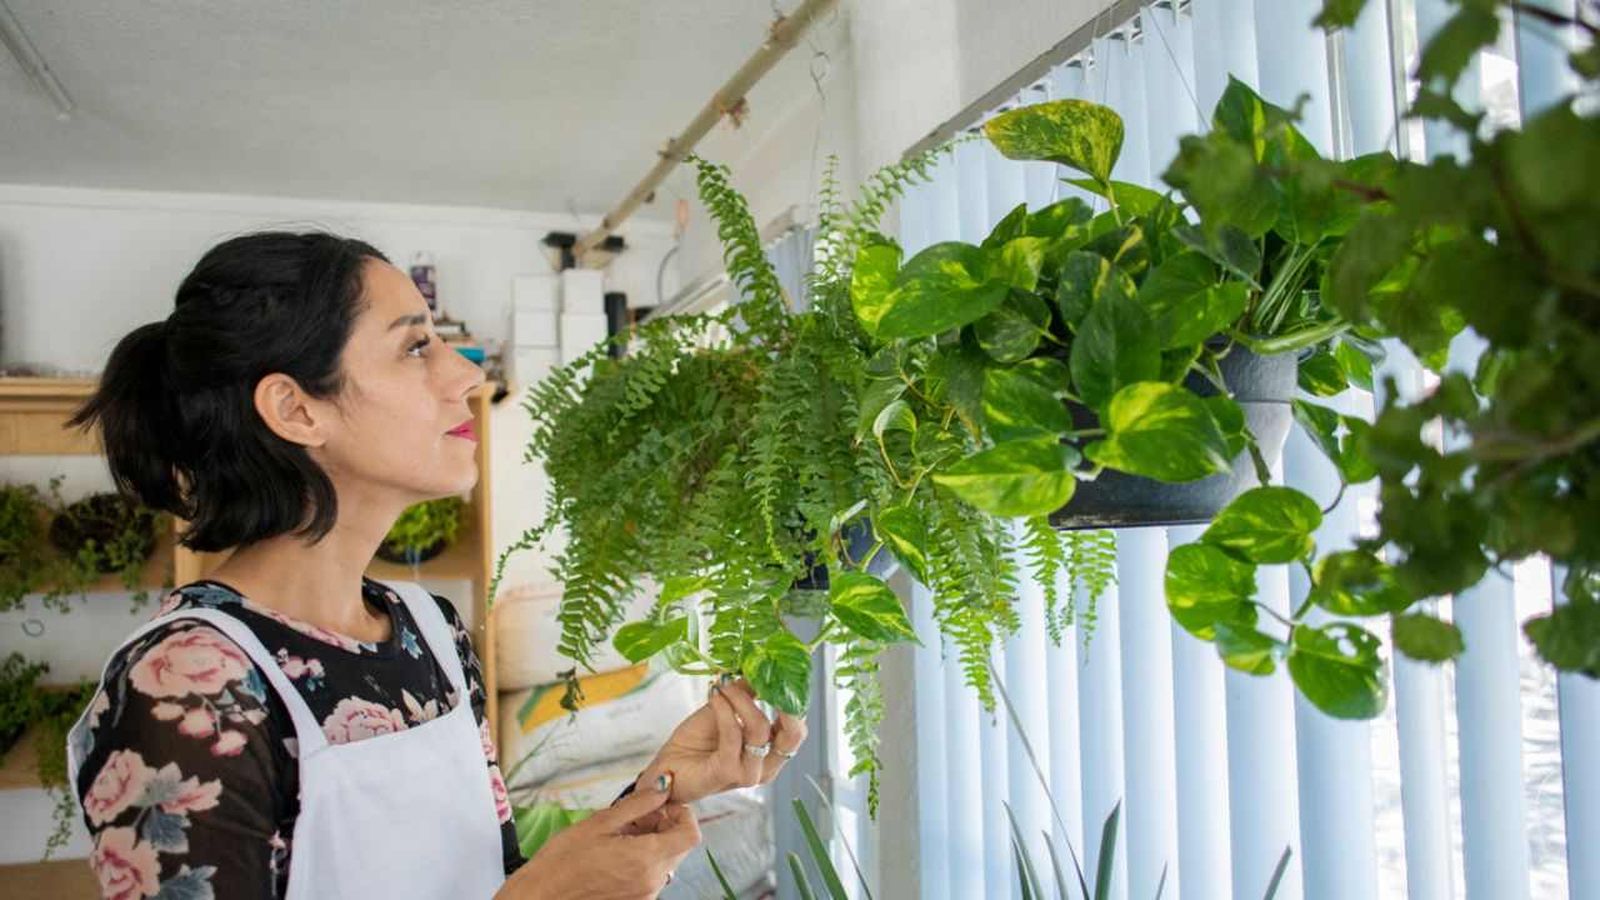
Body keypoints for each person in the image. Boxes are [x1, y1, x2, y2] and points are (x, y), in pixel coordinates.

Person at [61, 230, 808, 899]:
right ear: (296, 410)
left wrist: (663, 787)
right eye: (416, 346)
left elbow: (485, 875)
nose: (467, 376)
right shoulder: (182, 688)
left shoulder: (429, 631)